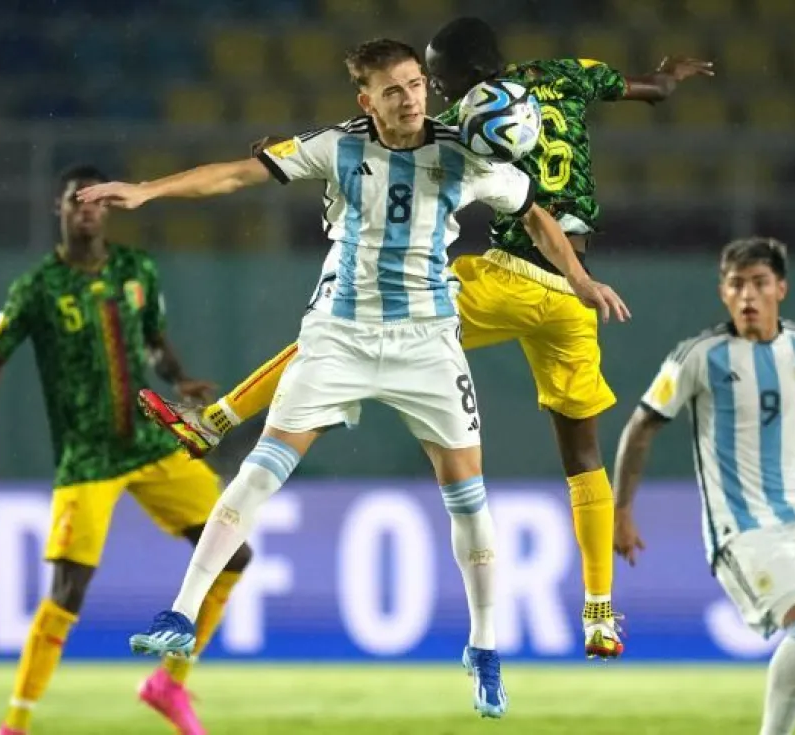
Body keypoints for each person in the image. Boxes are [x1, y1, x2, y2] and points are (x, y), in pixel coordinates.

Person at [78, 38, 625, 718]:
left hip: (427, 343)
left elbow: (535, 214)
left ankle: (484, 647)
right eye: (392, 89)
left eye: (416, 83)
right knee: (259, 471)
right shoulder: (336, 146)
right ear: (366, 100)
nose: (410, 97)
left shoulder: (465, 151)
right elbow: (236, 175)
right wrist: (149, 190)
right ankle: (181, 611)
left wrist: (578, 277)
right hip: (339, 334)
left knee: (469, 502)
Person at [137, 15, 704, 659]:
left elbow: (466, 173)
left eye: (430, 78)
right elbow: (647, 92)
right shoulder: (562, 76)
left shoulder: (469, 117)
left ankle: (217, 419)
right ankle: (600, 612)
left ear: (454, 77)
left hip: (503, 276)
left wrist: (309, 150)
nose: (424, 92)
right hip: (572, 294)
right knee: (582, 454)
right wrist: (665, 79)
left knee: (367, 309)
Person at [0, 165, 252, 735]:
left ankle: (168, 684)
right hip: (87, 457)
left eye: (97, 201)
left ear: (109, 210)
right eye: (77, 200)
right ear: (60, 209)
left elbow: (155, 344)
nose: (88, 209)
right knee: (69, 588)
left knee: (234, 553)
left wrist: (179, 376)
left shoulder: (135, 270)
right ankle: (15, 723)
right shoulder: (39, 288)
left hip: (146, 444)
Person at [612, 237, 795, 735]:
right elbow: (640, 427)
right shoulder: (697, 358)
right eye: (736, 284)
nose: (748, 295)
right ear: (723, 293)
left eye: (759, 283)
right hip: (741, 534)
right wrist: (621, 510)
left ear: (781, 289)